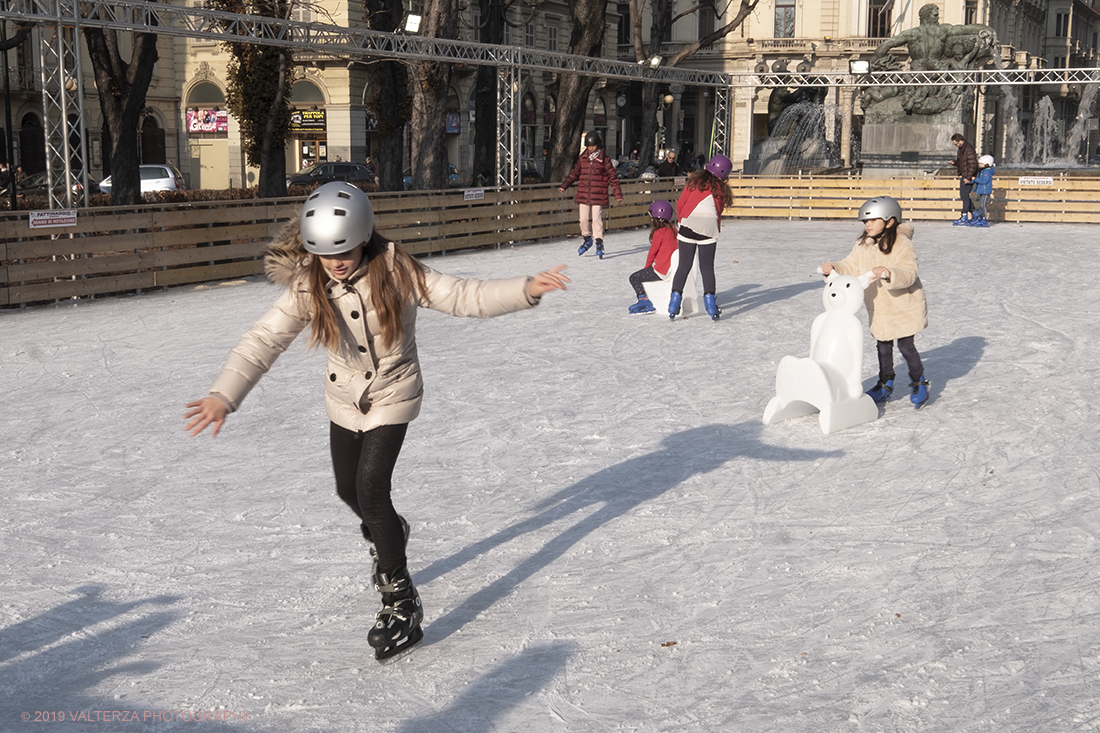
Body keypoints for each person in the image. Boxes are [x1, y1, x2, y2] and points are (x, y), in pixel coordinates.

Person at [183, 182, 570, 662]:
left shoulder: (398, 271)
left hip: (392, 393)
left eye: (343, 250)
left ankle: (401, 601)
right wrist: (225, 392)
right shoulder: (310, 284)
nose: (336, 262)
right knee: (349, 491)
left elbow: (462, 295)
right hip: (343, 398)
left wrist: (525, 289)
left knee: (371, 491)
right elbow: (264, 338)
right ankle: (392, 530)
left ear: (363, 236)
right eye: (324, 254)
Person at [820, 195, 930, 409]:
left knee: (906, 346)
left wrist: (890, 273)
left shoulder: (902, 243)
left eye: (872, 220)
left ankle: (919, 381)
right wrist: (833, 268)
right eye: (865, 221)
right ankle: (885, 383)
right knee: (883, 346)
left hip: (903, 306)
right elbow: (850, 265)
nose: (867, 225)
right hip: (879, 307)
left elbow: (910, 272)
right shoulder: (864, 245)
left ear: (889, 221)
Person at [668, 154, 734, 322]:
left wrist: (682, 221)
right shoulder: (720, 189)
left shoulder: (693, 182)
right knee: (707, 268)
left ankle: (674, 303)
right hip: (708, 227)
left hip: (689, 224)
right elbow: (718, 212)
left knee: (684, 265)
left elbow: (681, 203)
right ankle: (711, 305)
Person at [558, 130, 624, 259]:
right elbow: (574, 173)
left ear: (598, 145)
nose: (591, 149)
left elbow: (613, 178)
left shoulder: (604, 160)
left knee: (596, 219)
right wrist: (564, 185)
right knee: (582, 219)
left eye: (593, 146)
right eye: (589, 146)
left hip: (598, 195)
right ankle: (587, 238)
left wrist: (618, 195)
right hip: (584, 193)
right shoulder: (582, 158)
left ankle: (599, 242)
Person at [626, 200, 678, 314]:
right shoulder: (674, 230)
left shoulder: (659, 232)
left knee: (634, 277)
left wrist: (647, 267)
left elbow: (652, 253)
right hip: (674, 269)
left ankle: (643, 299)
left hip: (662, 271)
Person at [949, 132, 979, 225]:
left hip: (968, 176)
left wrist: (968, 177)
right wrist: (954, 163)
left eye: (956, 143)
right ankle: (975, 213)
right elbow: (963, 163)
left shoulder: (968, 149)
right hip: (965, 174)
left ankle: (965, 215)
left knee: (964, 195)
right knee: (964, 195)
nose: (955, 145)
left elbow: (973, 165)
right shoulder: (962, 149)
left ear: (960, 141)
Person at [971, 154, 995, 227]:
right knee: (980, 205)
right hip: (982, 190)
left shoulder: (987, 172)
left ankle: (984, 218)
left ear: (986, 164)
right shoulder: (982, 171)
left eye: (981, 164)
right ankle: (980, 217)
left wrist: (975, 179)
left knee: (982, 205)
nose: (979, 165)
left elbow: (984, 181)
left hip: (985, 191)